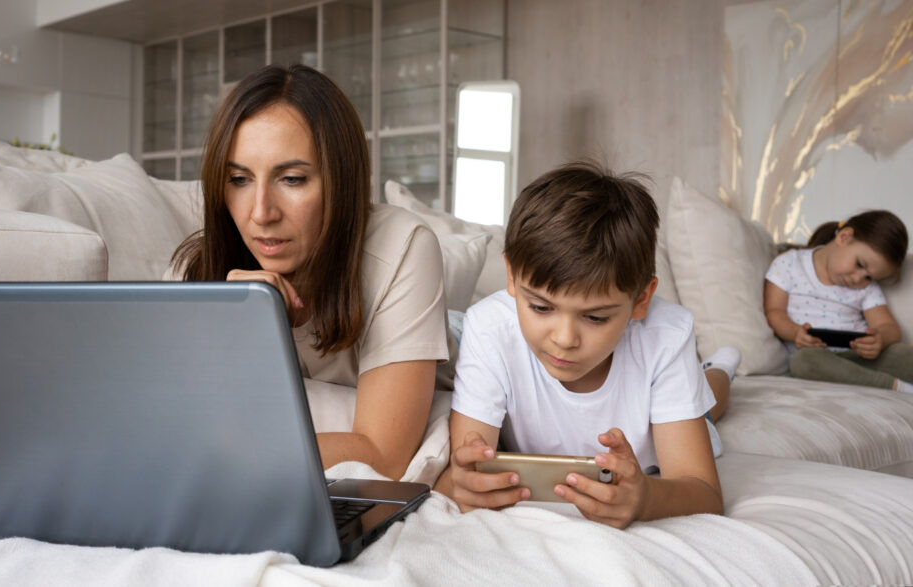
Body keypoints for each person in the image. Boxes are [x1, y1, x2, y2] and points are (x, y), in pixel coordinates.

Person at [169, 64, 449, 480]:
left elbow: (385, 454)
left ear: (341, 180)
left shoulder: (403, 247)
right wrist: (232, 328)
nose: (261, 213)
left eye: (293, 179)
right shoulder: (198, 271)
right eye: (240, 179)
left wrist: (227, 452)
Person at [438, 161, 724, 528]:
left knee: (711, 406)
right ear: (511, 276)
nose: (564, 339)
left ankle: (720, 370)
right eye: (540, 307)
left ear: (641, 300)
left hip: (665, 415)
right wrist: (463, 483)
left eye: (595, 318)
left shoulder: (667, 335)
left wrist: (645, 498)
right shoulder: (489, 327)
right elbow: (463, 468)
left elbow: (705, 493)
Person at [763, 210, 913, 393]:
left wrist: (879, 340)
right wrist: (795, 333)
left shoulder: (866, 288)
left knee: (904, 354)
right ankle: (894, 387)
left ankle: (869, 379)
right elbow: (774, 311)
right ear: (844, 237)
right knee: (804, 362)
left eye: (869, 277)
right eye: (859, 264)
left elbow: (889, 326)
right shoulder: (789, 264)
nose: (858, 279)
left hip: (857, 357)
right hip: (816, 357)